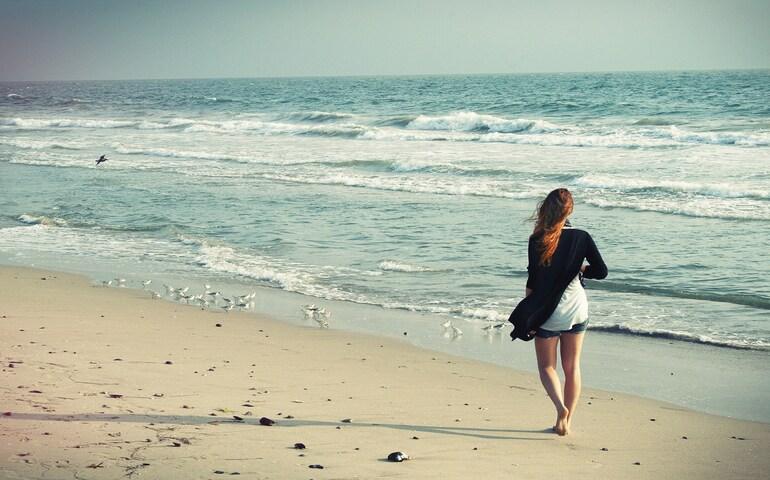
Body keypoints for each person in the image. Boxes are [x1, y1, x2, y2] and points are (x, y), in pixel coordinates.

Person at [508, 188, 607, 436]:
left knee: (547, 368)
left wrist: (529, 313)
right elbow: (602, 271)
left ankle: (560, 408)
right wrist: (582, 268)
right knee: (572, 367)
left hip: (548, 313)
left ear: (546, 209)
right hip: (577, 310)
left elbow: (533, 280)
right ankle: (566, 422)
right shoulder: (582, 237)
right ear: (570, 210)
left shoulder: (537, 239)